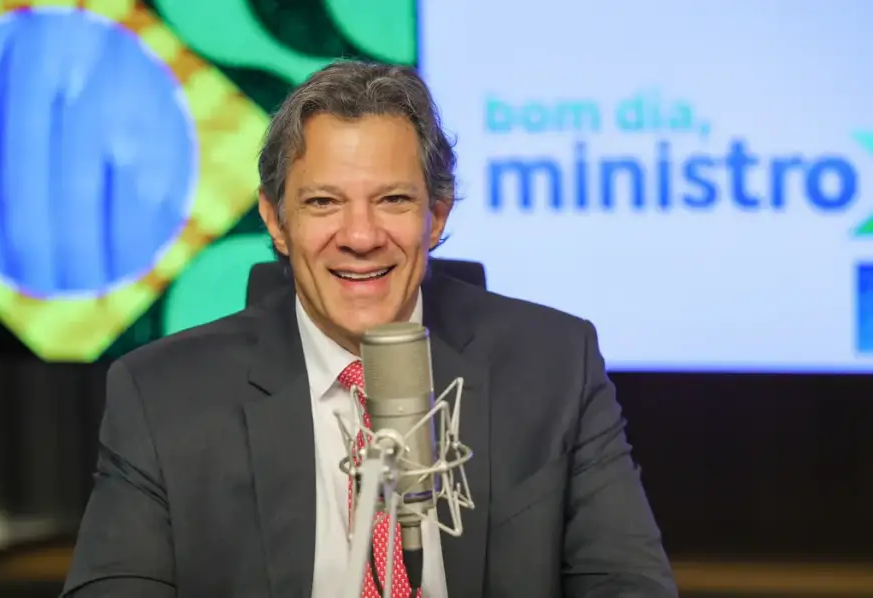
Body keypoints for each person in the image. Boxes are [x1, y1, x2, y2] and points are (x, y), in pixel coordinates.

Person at [62, 60, 677, 598]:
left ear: (436, 217)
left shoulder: (555, 367)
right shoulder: (163, 396)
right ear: (276, 221)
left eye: (393, 201)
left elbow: (628, 584)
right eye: (323, 202)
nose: (360, 236)